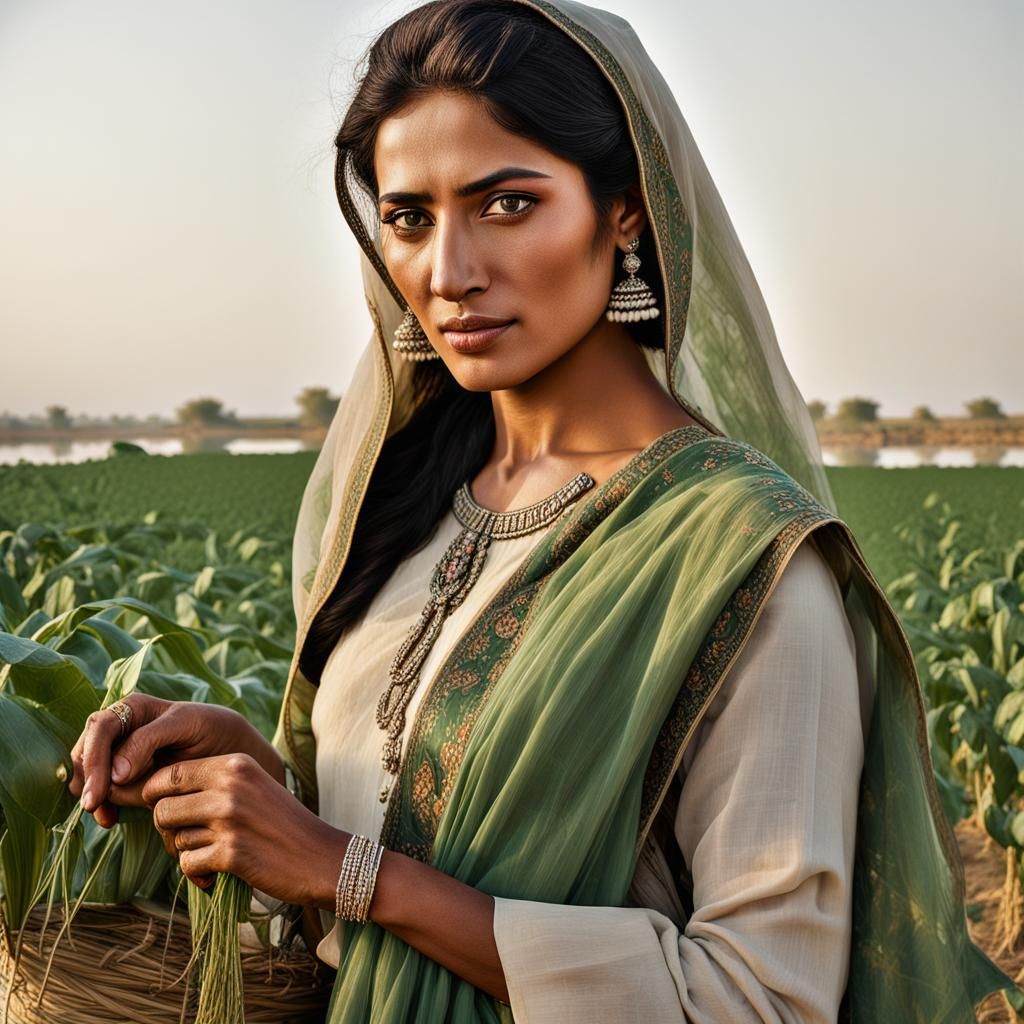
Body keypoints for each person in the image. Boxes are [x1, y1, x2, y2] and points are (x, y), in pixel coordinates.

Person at [68, 1, 1017, 1020]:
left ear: (624, 209)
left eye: (508, 203)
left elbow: (759, 1001)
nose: (450, 272)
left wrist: (346, 868)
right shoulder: (404, 509)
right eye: (409, 217)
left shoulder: (744, 562)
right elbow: (359, 902)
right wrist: (254, 792)